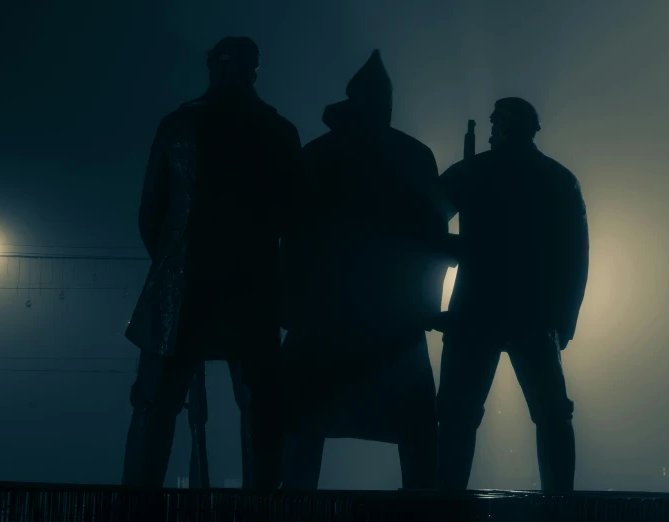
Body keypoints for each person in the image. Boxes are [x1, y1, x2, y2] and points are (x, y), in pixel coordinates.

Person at [121, 36, 307, 489]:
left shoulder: (178, 124)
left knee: (154, 403)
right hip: (251, 287)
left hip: (180, 286)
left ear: (212, 69)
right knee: (260, 405)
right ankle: (258, 506)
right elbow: (297, 216)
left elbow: (151, 214)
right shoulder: (278, 130)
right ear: (253, 70)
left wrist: (176, 264)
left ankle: (134, 504)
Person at [279, 50, 451, 490]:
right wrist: (428, 309)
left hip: (323, 314)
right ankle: (422, 511)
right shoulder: (414, 155)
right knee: (415, 431)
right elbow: (432, 240)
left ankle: (291, 509)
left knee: (303, 425)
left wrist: (290, 305)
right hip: (393, 319)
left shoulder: (318, 153)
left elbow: (292, 235)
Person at [435, 97, 589, 492]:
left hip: (475, 310)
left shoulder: (472, 172)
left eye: (494, 125)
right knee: (553, 414)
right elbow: (576, 257)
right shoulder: (558, 178)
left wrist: (455, 252)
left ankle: (444, 503)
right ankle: (560, 505)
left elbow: (424, 224)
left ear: (503, 127)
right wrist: (565, 320)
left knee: (456, 415)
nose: (489, 134)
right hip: (534, 314)